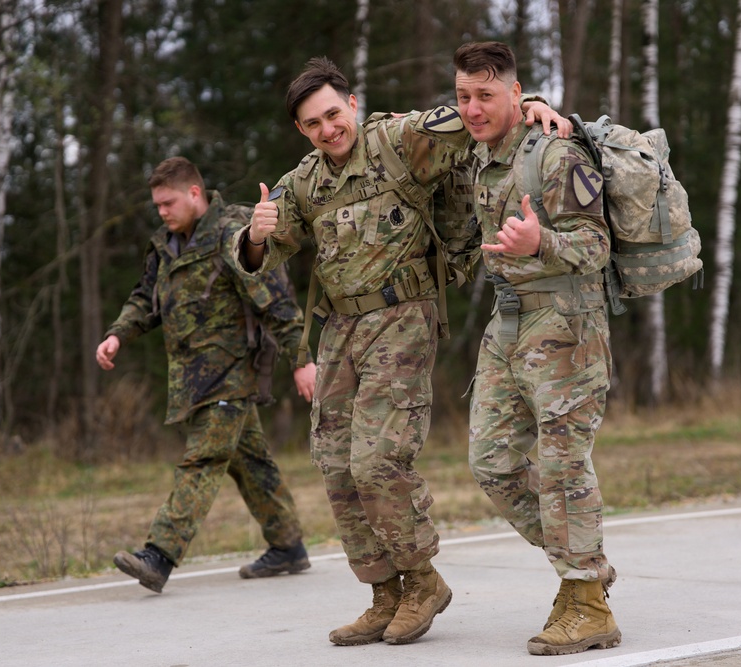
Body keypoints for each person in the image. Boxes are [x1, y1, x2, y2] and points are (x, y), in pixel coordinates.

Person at [235, 57, 569, 646]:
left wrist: (533, 101)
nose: (328, 129)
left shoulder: (400, 139)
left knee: (378, 460)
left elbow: (476, 112)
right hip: (339, 329)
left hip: (403, 316)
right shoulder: (305, 180)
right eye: (313, 124)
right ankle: (383, 590)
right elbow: (263, 253)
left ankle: (421, 582)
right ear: (301, 130)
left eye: (333, 114)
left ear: (353, 104)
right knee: (335, 463)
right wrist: (255, 236)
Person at [453, 41, 621, 656]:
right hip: (507, 326)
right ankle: (588, 569)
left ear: (516, 94)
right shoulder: (477, 146)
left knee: (561, 466)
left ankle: (586, 603)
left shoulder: (555, 152)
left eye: (485, 95)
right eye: (464, 95)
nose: (472, 108)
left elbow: (595, 246)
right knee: (492, 464)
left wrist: (540, 243)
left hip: (566, 326)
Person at [96, 157, 316, 594]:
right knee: (249, 462)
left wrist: (302, 359)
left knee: (203, 460)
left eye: (168, 203)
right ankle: (288, 544)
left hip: (234, 371)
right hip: (191, 378)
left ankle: (158, 554)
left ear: (194, 193)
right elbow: (146, 298)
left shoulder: (232, 233)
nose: (161, 212)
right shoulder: (165, 244)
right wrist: (118, 333)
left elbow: (276, 301)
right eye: (156, 205)